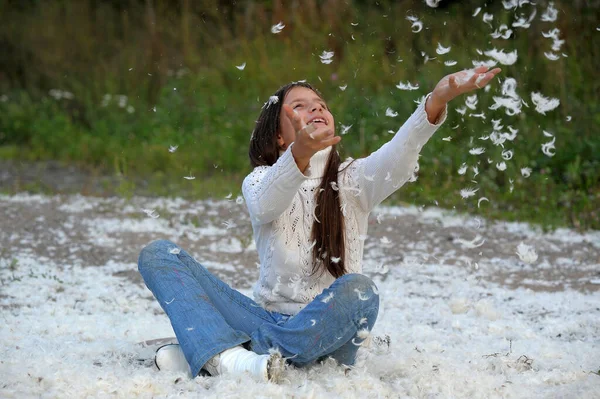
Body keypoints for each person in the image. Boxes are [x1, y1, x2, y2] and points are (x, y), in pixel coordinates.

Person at [137, 66, 502, 382]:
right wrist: (301, 153)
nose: (315, 108)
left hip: (331, 336)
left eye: (321, 105)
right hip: (265, 317)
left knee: (360, 290)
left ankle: (225, 355)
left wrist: (436, 99)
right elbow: (267, 204)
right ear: (279, 135)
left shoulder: (354, 178)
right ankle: (238, 357)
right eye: (299, 106)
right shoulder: (259, 179)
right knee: (158, 254)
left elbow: (400, 154)